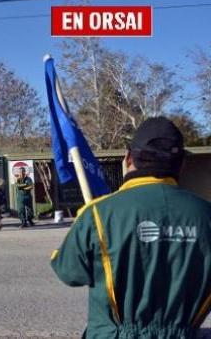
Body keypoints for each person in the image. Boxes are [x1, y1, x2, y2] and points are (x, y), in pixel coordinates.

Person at [51, 117, 211, 338]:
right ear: (181, 164)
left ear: (128, 158)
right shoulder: (206, 214)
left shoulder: (98, 214)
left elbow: (69, 273)